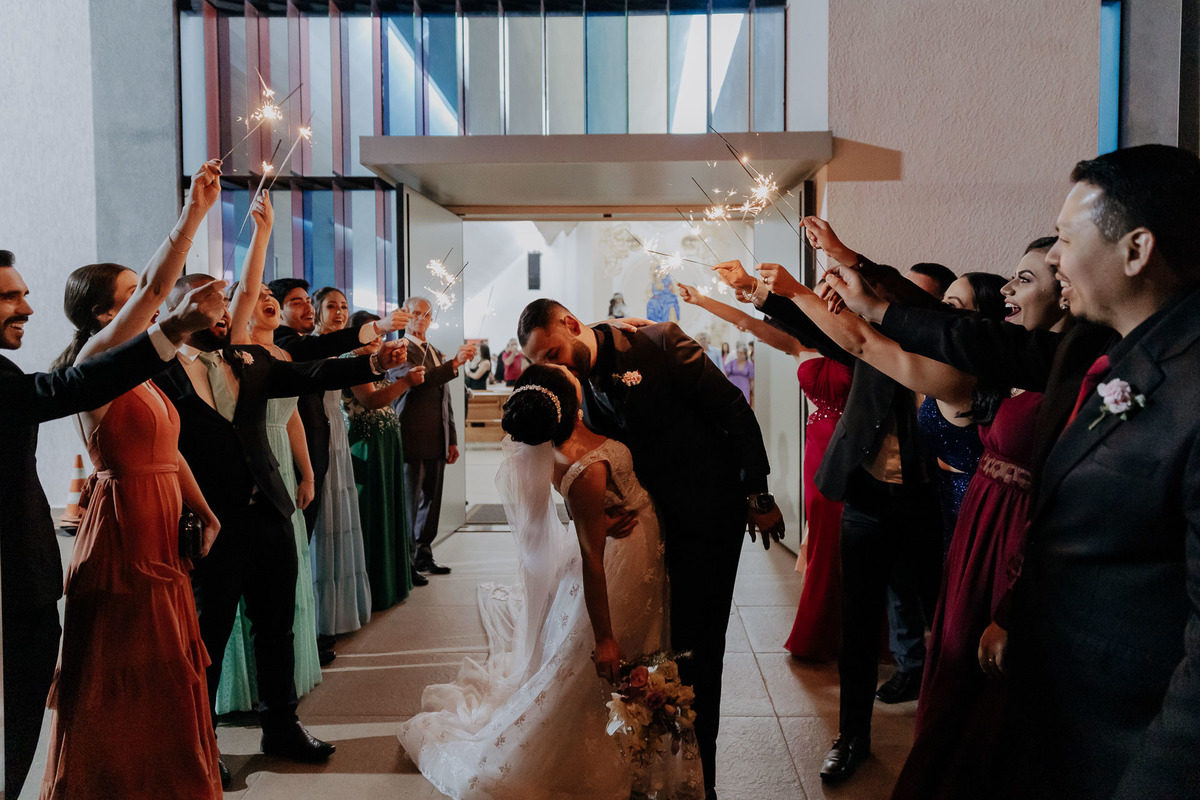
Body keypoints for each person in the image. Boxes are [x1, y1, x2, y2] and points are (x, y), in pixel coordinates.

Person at [830, 144, 1200, 798]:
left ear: (1137, 250)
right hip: (1057, 709)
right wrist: (881, 306)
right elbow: (987, 342)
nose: (1053, 257)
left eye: (1063, 237)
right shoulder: (1105, 347)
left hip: (1124, 736)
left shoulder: (1189, 387)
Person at [397, 365, 703, 800]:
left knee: (642, 640)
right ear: (569, 401)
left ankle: (632, 736)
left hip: (635, 545)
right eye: (566, 374)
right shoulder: (585, 469)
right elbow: (592, 561)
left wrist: (601, 515)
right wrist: (605, 639)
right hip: (619, 563)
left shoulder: (566, 443)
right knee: (609, 656)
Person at [519, 299, 782, 800]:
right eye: (542, 363)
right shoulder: (579, 385)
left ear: (571, 324)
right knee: (664, 648)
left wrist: (758, 493)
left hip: (708, 516)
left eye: (554, 352)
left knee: (702, 649)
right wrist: (606, 503)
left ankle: (704, 781)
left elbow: (734, 410)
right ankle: (668, 770)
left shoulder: (660, 342)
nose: (554, 366)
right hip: (650, 532)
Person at [155, 272, 407, 779]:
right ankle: (200, 744)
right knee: (210, 633)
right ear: (180, 311)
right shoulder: (163, 371)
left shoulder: (248, 358)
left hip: (269, 508)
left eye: (226, 308)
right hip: (211, 523)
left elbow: (311, 376)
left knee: (277, 625)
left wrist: (376, 361)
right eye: (212, 307)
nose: (225, 316)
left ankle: (282, 724)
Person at [712, 242, 942, 785]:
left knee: (941, 618)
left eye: (911, 299)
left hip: (927, 500)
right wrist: (759, 290)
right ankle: (853, 737)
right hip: (864, 495)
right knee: (858, 625)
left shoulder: (944, 353)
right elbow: (809, 332)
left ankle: (944, 731)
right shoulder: (864, 346)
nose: (893, 307)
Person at [0, 244, 223, 799]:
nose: (27, 306)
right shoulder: (95, 360)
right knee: (120, 666)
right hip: (123, 524)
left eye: (25, 294)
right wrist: (192, 217)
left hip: (157, 520)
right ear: (108, 314)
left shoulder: (145, 375)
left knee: (165, 663)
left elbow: (169, 452)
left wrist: (203, 509)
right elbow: (152, 289)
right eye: (11, 295)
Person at [675, 282, 847, 663]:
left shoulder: (855, 343)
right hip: (821, 447)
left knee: (855, 539)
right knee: (824, 534)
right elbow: (745, 322)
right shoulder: (798, 345)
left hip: (857, 446)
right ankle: (820, 632)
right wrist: (701, 300)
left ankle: (859, 630)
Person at [215, 193, 324, 714]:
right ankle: (242, 699)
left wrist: (306, 473)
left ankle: (283, 708)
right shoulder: (236, 351)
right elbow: (247, 288)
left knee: (281, 601)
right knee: (236, 608)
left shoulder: (279, 353)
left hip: (280, 472)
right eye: (258, 297)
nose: (267, 302)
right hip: (244, 478)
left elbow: (295, 414)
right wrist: (262, 234)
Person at [344, 309, 425, 607]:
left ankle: (391, 581)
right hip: (365, 443)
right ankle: (374, 587)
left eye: (380, 335)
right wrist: (405, 383)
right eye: (371, 334)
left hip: (386, 441)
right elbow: (369, 399)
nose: (377, 340)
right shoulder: (351, 362)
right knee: (372, 511)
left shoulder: (375, 363)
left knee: (391, 507)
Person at [392, 296, 476, 577]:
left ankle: (424, 554)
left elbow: (446, 400)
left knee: (432, 500)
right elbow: (419, 381)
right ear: (405, 315)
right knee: (409, 502)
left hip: (437, 437)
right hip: (411, 435)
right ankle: (406, 561)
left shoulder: (435, 351)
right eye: (416, 313)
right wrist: (454, 363)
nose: (421, 319)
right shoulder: (398, 350)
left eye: (427, 315)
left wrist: (451, 437)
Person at [308, 287, 374, 638]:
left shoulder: (346, 349)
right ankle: (321, 617)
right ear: (317, 311)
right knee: (324, 522)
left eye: (344, 306)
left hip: (337, 432)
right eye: (331, 306)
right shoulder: (313, 347)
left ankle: (340, 610)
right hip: (317, 433)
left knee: (340, 517)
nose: (339, 312)